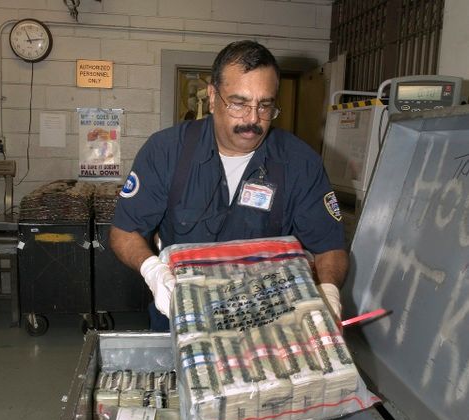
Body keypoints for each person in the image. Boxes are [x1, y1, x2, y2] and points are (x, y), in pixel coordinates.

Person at [110, 40, 348, 330]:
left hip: (265, 323)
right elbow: (124, 231)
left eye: (265, 105)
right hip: (181, 315)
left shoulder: (300, 163)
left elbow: (329, 246)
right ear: (212, 97)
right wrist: (153, 272)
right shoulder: (166, 151)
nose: (253, 120)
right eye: (239, 103)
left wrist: (329, 292)